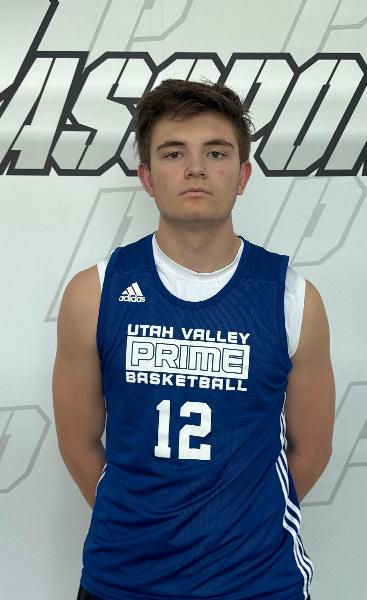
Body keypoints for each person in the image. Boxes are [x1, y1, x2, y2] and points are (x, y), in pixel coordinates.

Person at [53, 79, 335, 600]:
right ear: (147, 176)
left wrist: (239, 528)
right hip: (122, 581)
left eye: (217, 152)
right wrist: (145, 525)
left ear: (243, 175)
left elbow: (312, 451)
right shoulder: (94, 294)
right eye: (174, 152)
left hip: (256, 583)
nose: (196, 168)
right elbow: (78, 443)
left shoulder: (292, 298)